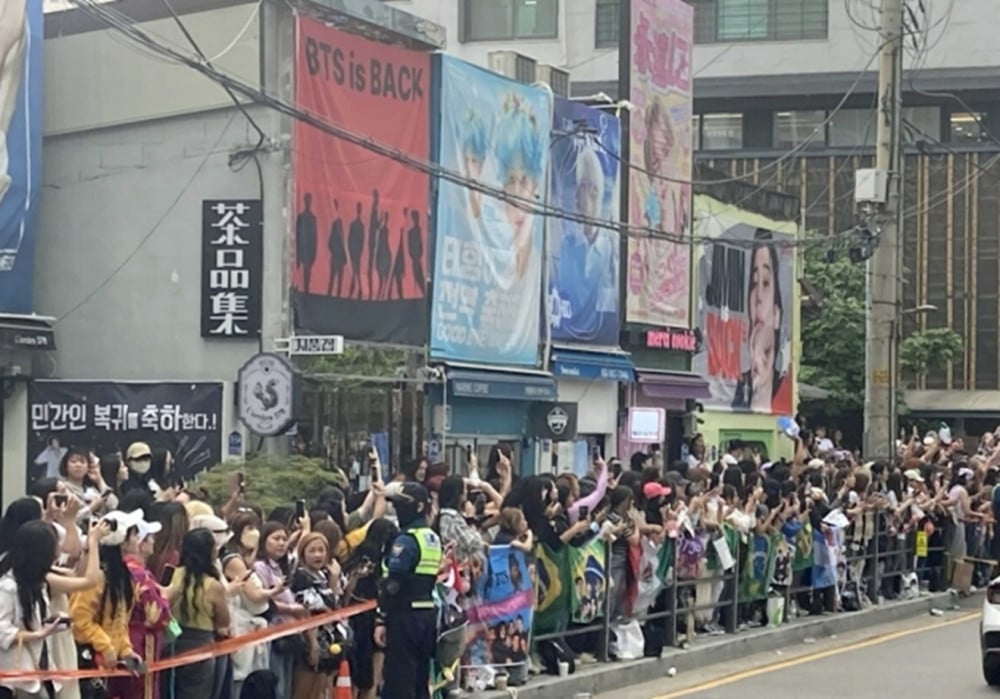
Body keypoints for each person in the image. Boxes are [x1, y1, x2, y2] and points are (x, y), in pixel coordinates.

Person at [374, 483, 442, 699]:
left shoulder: (406, 539)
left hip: (404, 616)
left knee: (399, 680)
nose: (398, 510)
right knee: (420, 680)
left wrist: (381, 618)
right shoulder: (431, 537)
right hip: (427, 614)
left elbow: (394, 584)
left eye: (403, 505)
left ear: (420, 506)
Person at [70, 510, 145, 699]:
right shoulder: (98, 575)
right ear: (122, 540)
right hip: (88, 662)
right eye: (134, 533)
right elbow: (78, 619)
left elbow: (119, 621)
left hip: (106, 665)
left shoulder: (123, 576)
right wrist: (105, 646)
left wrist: (126, 651)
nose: (138, 538)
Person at [163, 528, 232, 698]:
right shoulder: (213, 586)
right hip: (201, 646)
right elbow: (224, 622)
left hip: (171, 642)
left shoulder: (172, 574)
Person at [732, 229, 790, 412]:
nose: (758, 297)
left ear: (777, 313)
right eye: (753, 284)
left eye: (765, 283)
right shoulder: (739, 390)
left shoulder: (785, 389)